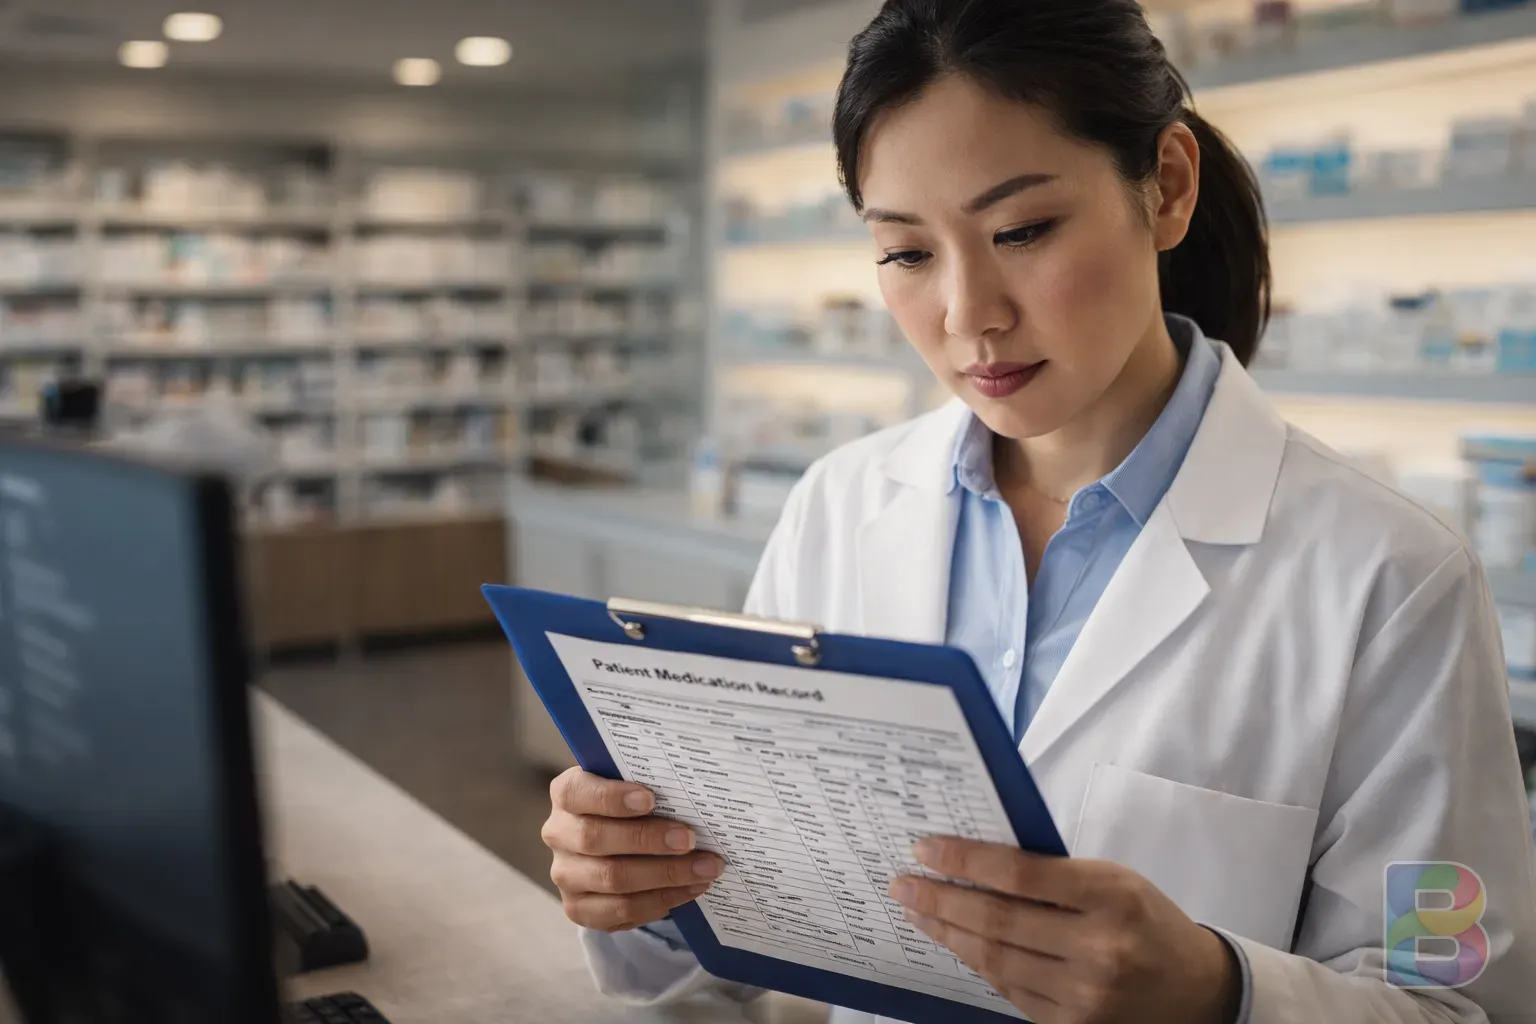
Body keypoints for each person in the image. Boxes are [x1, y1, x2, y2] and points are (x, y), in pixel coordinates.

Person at [540, 1, 1536, 1021]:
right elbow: (743, 952)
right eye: (908, 254)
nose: (970, 312)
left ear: (1169, 188)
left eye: (1023, 229)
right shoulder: (839, 510)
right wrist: (650, 888)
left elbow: (1460, 998)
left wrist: (1217, 993)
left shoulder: (1391, 579)